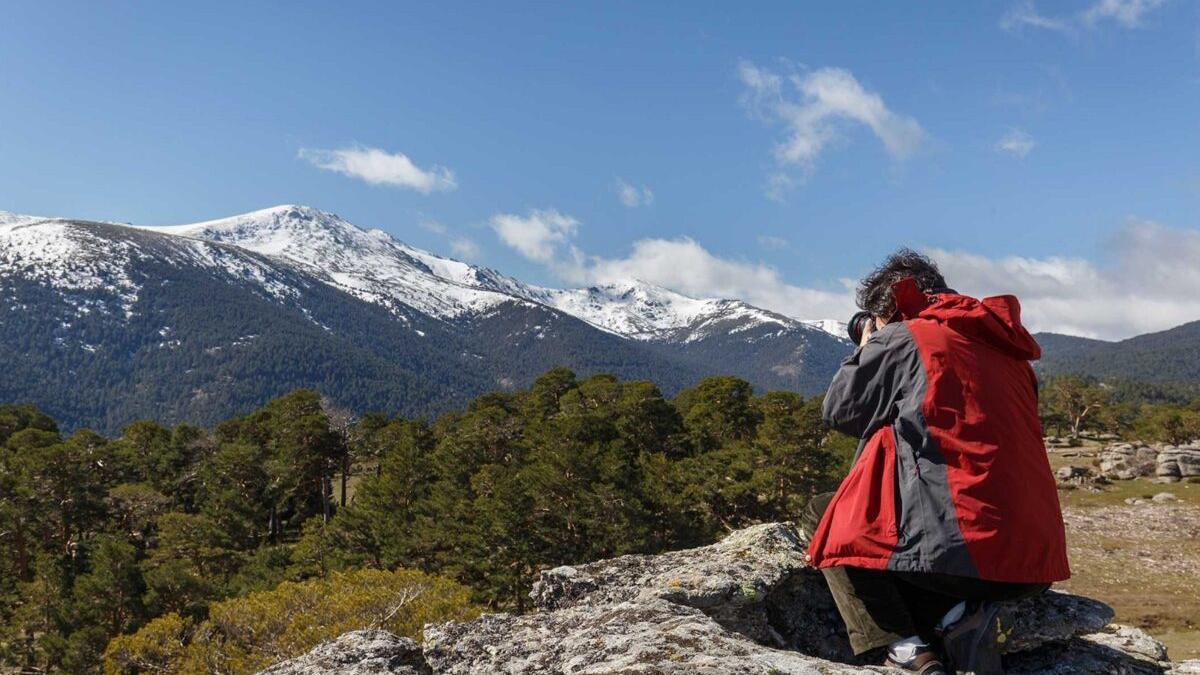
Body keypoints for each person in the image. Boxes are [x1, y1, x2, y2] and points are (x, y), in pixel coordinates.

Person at [801, 249, 1069, 675]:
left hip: (962, 559)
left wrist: (869, 347)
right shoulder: (1009, 350)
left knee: (827, 513)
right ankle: (960, 616)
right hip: (1033, 567)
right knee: (926, 537)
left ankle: (906, 647)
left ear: (888, 308)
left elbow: (841, 410)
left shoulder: (908, 336)